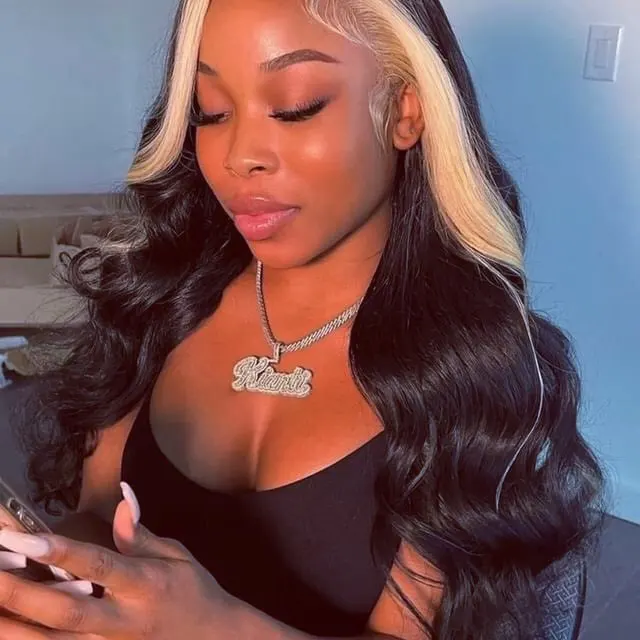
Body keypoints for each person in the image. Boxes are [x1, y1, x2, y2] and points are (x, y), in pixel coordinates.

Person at [0, 0, 604, 638]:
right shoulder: (160, 299)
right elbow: (99, 520)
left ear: (406, 110)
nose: (239, 156)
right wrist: (41, 572)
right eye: (212, 111)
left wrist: (214, 629)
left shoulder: (475, 373)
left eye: (295, 107)